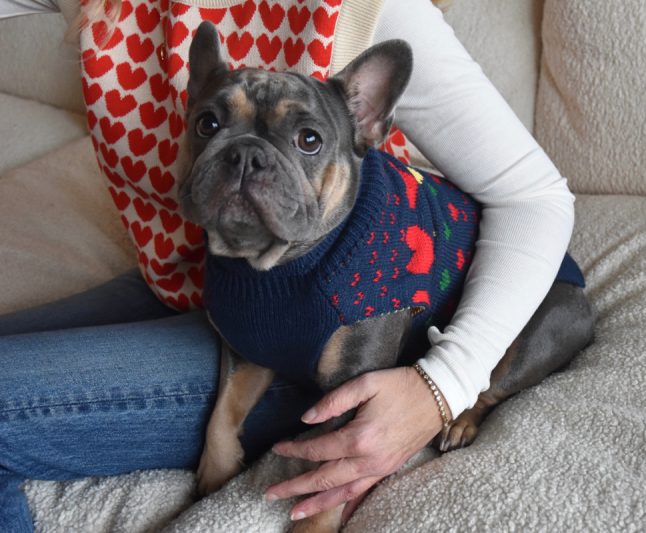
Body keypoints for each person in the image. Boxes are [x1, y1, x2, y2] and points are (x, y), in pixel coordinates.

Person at [0, 0, 576, 530]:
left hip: (474, 307)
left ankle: (486, 397)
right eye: (211, 125)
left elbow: (537, 201)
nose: (246, 162)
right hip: (195, 278)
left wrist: (448, 385)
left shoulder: (367, 11)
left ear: (368, 120)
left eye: (304, 139)